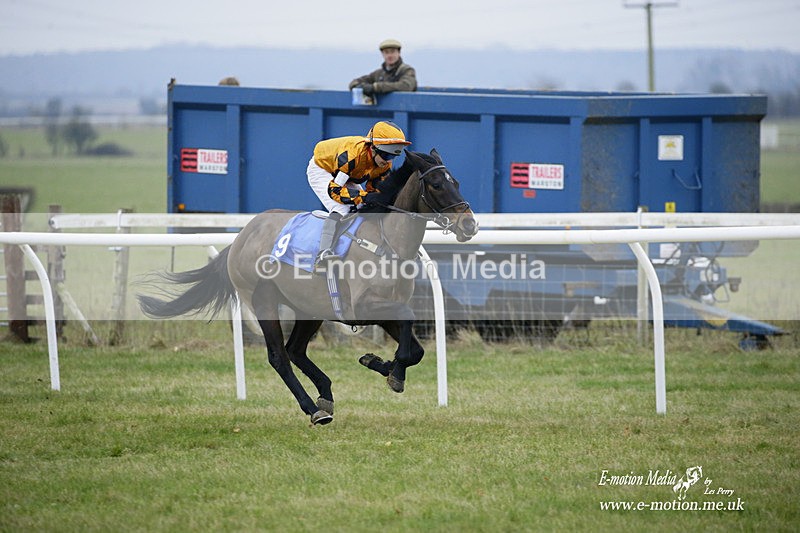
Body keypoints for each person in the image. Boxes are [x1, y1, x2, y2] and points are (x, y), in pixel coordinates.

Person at [307, 120, 411, 265]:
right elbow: (335, 191)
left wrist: (375, 198)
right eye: (386, 156)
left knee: (362, 207)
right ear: (373, 148)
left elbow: (374, 189)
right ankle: (323, 254)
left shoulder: (384, 164)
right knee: (341, 208)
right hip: (323, 169)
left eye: (392, 157)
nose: (388, 161)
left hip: (348, 174)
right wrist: (365, 197)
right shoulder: (353, 157)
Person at [348, 39, 417, 97]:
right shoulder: (378, 73)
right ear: (382, 54)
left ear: (399, 53)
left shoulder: (407, 70)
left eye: (392, 52)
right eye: (386, 52)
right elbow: (355, 82)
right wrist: (358, 86)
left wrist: (375, 87)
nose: (389, 55)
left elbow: (405, 86)